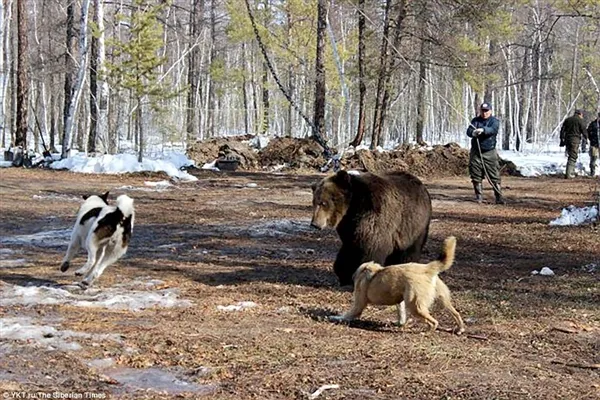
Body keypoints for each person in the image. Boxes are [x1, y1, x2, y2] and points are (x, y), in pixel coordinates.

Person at [466, 102, 504, 204]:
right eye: (483, 111)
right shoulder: (475, 120)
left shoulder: (494, 121)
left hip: (489, 152)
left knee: (494, 175)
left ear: (490, 111)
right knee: (475, 175)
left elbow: (493, 130)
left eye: (486, 111)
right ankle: (479, 197)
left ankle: (499, 197)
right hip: (476, 152)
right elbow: (468, 131)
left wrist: (483, 130)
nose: (484, 113)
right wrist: (473, 132)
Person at [559, 109, 588, 178]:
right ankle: (569, 174)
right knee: (573, 156)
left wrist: (562, 140)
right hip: (575, 140)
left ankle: (571, 171)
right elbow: (584, 131)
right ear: (580, 114)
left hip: (567, 140)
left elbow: (562, 130)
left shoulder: (568, 120)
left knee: (570, 155)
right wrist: (586, 138)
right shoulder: (580, 121)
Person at [587, 112, 599, 176]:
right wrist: (591, 139)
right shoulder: (593, 124)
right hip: (594, 144)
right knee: (593, 159)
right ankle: (592, 172)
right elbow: (588, 132)